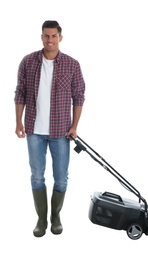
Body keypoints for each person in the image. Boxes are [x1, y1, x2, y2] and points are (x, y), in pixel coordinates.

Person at [14, 20, 85, 237]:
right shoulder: (28, 62)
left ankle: (56, 216)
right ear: (41, 37)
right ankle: (41, 219)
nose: (50, 40)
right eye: (46, 36)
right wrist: (18, 122)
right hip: (34, 130)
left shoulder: (72, 65)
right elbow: (20, 93)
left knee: (61, 177)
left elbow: (79, 96)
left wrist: (74, 126)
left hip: (61, 132)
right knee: (37, 176)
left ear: (60, 38)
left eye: (54, 36)